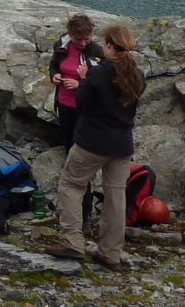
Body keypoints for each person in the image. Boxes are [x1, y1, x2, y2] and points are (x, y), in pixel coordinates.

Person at [46, 25, 146, 268]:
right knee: (116, 197)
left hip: (92, 142)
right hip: (121, 145)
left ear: (110, 45)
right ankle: (110, 253)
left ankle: (72, 241)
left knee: (71, 183)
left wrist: (83, 79)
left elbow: (82, 104)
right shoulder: (137, 74)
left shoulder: (98, 73)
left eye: (106, 44)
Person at [48, 14, 105, 151]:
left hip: (85, 106)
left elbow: (103, 79)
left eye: (87, 39)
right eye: (78, 39)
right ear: (70, 35)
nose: (83, 43)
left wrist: (80, 84)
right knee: (67, 137)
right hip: (63, 102)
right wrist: (54, 75)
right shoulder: (61, 46)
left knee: (81, 141)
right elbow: (53, 65)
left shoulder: (96, 50)